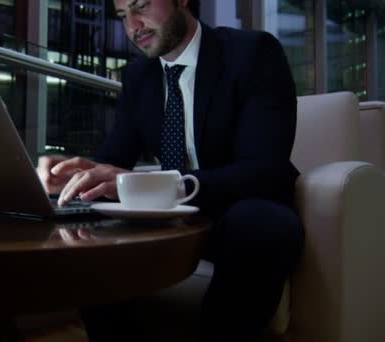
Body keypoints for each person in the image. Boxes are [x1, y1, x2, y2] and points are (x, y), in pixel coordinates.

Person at [37, 0, 304, 340]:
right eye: (122, 16)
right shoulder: (139, 75)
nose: (134, 26)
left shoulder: (252, 53)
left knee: (263, 225)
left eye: (141, 6)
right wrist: (74, 174)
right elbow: (113, 161)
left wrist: (158, 185)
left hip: (237, 210)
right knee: (87, 231)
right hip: (170, 220)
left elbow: (264, 170)